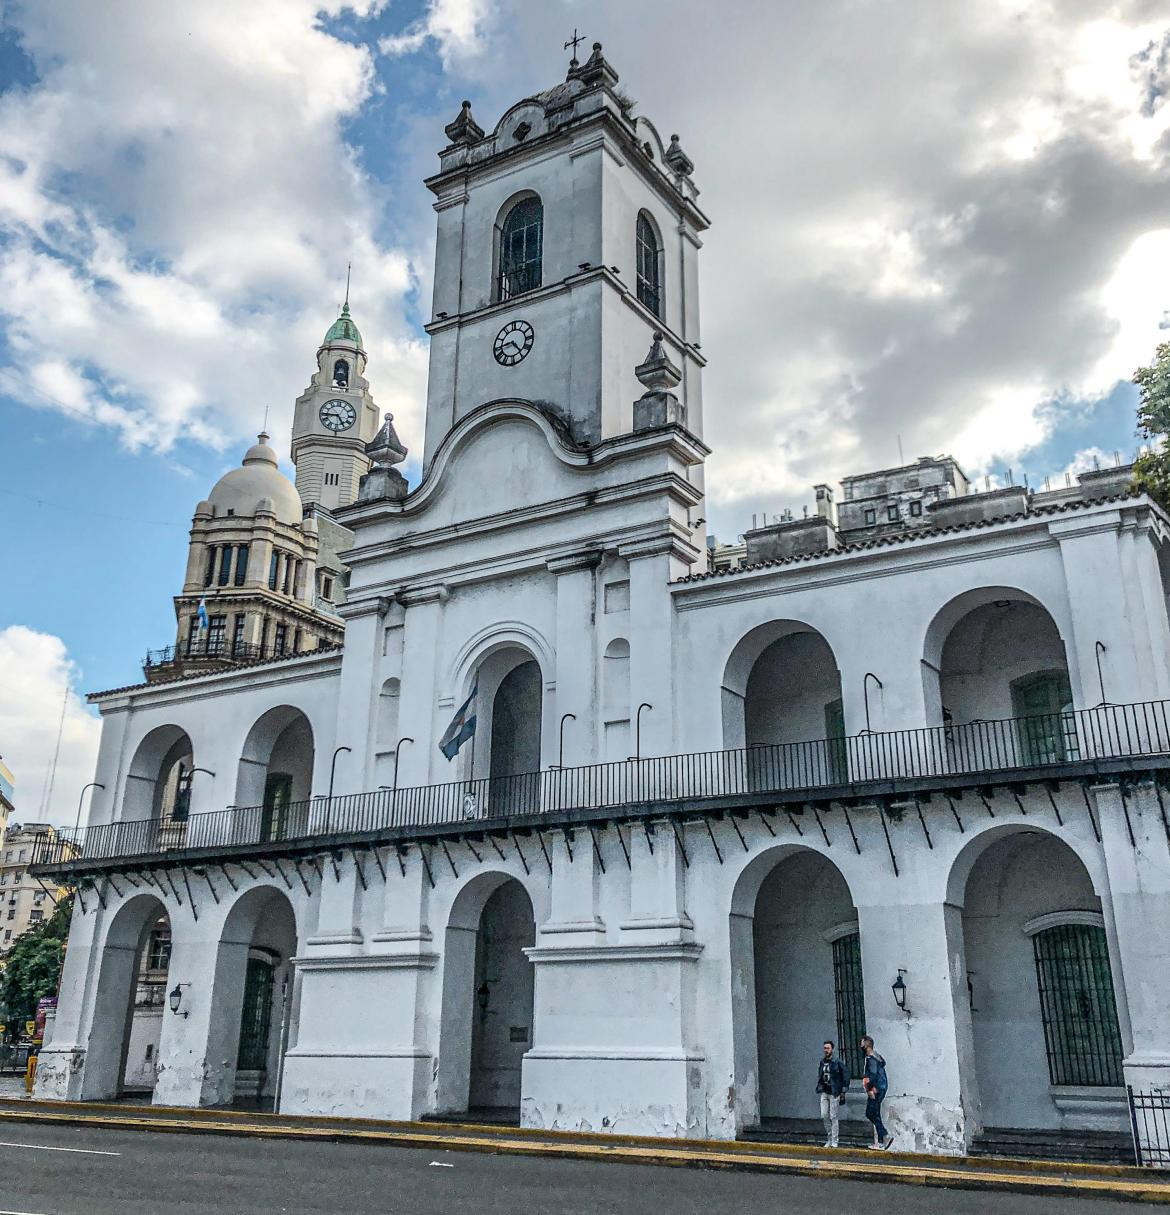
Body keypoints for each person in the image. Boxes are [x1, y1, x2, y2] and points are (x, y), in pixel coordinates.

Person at [860, 1034, 893, 1149]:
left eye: (862, 1042)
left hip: (876, 1089)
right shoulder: (876, 1057)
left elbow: (872, 1074)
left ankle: (884, 1135)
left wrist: (870, 1088)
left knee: (871, 1113)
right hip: (880, 1087)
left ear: (866, 1045)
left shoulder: (871, 1059)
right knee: (875, 1113)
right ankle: (880, 1141)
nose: (860, 1044)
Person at [815, 1039, 848, 1147]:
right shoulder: (822, 1062)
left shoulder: (837, 1062)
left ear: (832, 1049)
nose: (826, 1050)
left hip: (834, 1092)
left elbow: (845, 1075)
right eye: (824, 1048)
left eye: (828, 1048)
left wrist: (843, 1090)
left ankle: (835, 1140)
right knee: (824, 1115)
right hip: (824, 1091)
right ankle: (829, 1138)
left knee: (833, 1116)